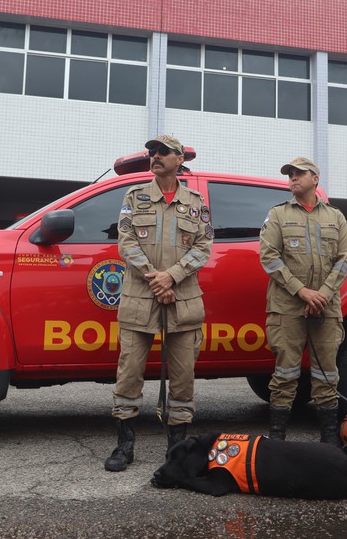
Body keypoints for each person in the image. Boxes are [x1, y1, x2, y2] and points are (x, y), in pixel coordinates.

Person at [104, 134, 214, 472]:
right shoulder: (134, 196)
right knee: (129, 372)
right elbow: (126, 242)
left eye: (164, 152)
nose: (156, 156)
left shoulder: (195, 202)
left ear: (180, 160)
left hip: (182, 298)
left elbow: (204, 246)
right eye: (153, 151)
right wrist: (156, 277)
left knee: (183, 376)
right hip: (142, 296)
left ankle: (177, 449)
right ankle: (125, 446)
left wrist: (173, 276)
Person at [258, 157, 347, 445]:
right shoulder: (277, 215)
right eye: (290, 174)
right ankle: (277, 440)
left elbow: (345, 258)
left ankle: (329, 441)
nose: (293, 179)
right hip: (288, 307)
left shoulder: (335, 217)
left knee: (327, 374)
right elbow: (269, 257)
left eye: (299, 174)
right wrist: (302, 291)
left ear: (315, 179)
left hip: (326, 307)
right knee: (285, 374)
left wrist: (323, 293)